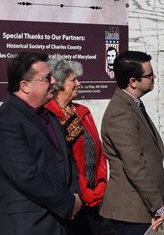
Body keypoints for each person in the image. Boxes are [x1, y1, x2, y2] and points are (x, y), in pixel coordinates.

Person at [0, 52, 82, 234]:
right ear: (25, 86)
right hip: (27, 226)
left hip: (59, 223)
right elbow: (27, 176)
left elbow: (68, 161)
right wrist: (67, 202)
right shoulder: (4, 123)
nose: (53, 81)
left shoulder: (49, 116)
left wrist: (76, 195)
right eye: (46, 78)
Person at [100, 51, 164, 234]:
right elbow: (135, 165)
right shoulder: (120, 113)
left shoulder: (134, 105)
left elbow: (150, 158)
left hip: (145, 207)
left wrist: (163, 197)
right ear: (133, 82)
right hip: (130, 213)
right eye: (149, 75)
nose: (154, 76)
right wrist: (157, 206)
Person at [45, 58, 109, 235]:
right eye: (73, 80)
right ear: (59, 84)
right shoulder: (49, 116)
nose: (78, 83)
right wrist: (84, 191)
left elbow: (99, 151)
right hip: (72, 200)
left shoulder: (83, 112)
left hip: (97, 199)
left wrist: (102, 183)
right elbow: (64, 162)